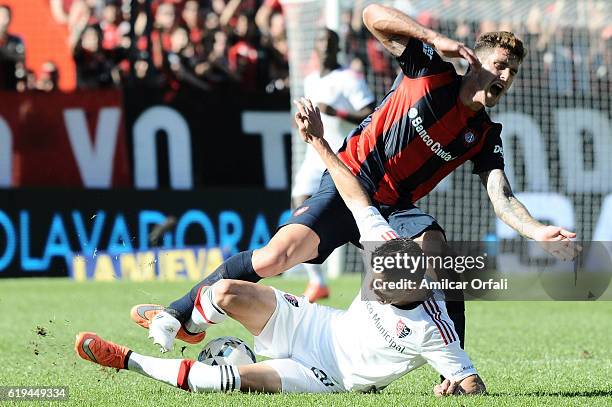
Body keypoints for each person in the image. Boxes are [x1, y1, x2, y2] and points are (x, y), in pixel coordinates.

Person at [134, 3, 578, 353]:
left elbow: (500, 196)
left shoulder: (484, 134)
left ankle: (453, 367)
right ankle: (180, 314)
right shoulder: (431, 71)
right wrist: (429, 35)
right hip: (349, 182)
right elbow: (371, 16)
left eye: (513, 73)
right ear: (473, 63)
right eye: (501, 65)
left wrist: (538, 230)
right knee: (272, 259)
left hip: (393, 208)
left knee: (440, 258)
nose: (506, 77)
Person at [76, 99, 485, 396]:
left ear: (409, 292)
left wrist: (456, 383)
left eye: (383, 282)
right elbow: (356, 195)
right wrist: (320, 142)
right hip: (316, 326)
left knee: (230, 381)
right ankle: (186, 322)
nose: (375, 280)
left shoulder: (435, 332)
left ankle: (127, 360)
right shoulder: (387, 246)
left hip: (329, 376)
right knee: (225, 291)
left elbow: (473, 384)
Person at [292, 28, 375, 302]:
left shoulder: (349, 78)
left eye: (330, 42)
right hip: (313, 156)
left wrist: (336, 112)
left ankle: (381, 271)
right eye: (321, 41)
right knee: (299, 207)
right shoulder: (311, 79)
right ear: (315, 47)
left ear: (337, 47)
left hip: (341, 157)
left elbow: (371, 113)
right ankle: (317, 282)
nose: (325, 47)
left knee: (358, 217)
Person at [0, 5, 25, 90]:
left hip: (10, 86)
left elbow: (20, 63)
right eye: (2, 16)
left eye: (8, 16)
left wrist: (21, 81)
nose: (5, 20)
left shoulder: (16, 41)